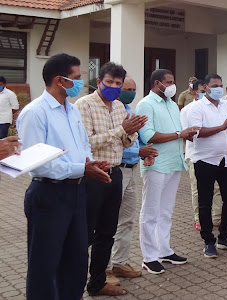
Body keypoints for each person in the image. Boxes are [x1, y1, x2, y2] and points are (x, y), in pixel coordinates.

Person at [17, 53, 112, 300]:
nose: (80, 83)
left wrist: (92, 163)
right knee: (44, 265)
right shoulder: (35, 113)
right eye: (76, 78)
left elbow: (83, 147)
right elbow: (37, 164)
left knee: (76, 260)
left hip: (77, 192)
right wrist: (82, 168)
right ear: (60, 80)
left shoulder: (71, 110)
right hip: (48, 194)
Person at [75, 62, 146, 296]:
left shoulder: (118, 107)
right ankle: (72, 282)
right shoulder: (84, 105)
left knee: (107, 231)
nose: (115, 87)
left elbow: (124, 142)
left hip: (115, 175)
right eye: (110, 83)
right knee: (86, 233)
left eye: (118, 83)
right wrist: (120, 130)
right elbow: (86, 142)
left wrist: (130, 132)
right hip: (93, 176)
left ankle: (97, 283)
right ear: (99, 82)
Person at [135, 69, 199, 274]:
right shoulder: (146, 104)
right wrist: (179, 133)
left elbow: (176, 132)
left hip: (174, 162)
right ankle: (149, 256)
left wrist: (185, 135)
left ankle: (164, 250)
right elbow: (148, 136)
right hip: (157, 164)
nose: (172, 86)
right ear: (157, 83)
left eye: (173, 81)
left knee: (166, 211)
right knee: (150, 212)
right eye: (168, 82)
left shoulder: (172, 105)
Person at [106, 77, 159, 286]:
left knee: (126, 220)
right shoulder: (111, 111)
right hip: (115, 170)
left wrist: (146, 150)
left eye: (133, 89)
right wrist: (139, 151)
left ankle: (119, 262)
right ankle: (105, 267)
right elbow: (115, 143)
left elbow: (137, 137)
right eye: (126, 88)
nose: (130, 92)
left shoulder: (129, 109)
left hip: (132, 169)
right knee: (108, 222)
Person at [188, 74, 227, 258]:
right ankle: (208, 241)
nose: (219, 88)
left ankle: (224, 237)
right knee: (205, 202)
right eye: (215, 85)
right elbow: (196, 132)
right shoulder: (197, 107)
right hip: (205, 160)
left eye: (221, 85)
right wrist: (222, 126)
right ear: (205, 87)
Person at [181, 80, 213, 232]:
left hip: (213, 155)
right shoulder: (187, 110)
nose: (203, 93)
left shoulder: (213, 107)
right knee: (197, 188)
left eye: (204, 90)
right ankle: (198, 219)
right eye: (200, 91)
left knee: (217, 189)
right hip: (195, 154)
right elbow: (184, 132)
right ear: (193, 92)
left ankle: (217, 217)